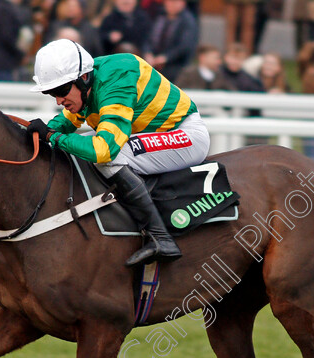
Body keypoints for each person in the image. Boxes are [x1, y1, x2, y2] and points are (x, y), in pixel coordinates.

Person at [26, 39, 211, 266]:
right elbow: (69, 120)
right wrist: (45, 132)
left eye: (61, 90)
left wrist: (52, 136)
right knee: (72, 149)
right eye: (50, 92)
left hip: (185, 136)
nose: (57, 100)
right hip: (147, 137)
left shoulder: (116, 80)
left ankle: (160, 238)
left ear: (83, 78)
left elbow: (105, 150)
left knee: (109, 158)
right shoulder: (89, 82)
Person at [143, 0, 197, 81]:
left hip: (176, 64)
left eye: (174, 2)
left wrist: (166, 58)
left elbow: (185, 45)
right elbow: (147, 38)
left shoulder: (188, 21)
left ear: (183, 3)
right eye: (168, 1)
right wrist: (148, 53)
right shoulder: (159, 16)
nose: (171, 4)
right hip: (153, 61)